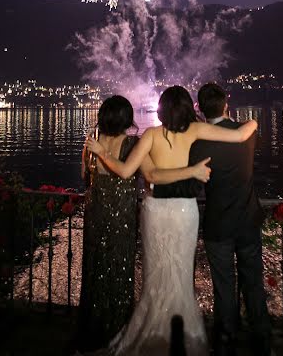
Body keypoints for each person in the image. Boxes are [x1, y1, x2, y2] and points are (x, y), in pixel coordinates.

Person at [86, 85, 258, 356]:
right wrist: (254, 121)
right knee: (181, 274)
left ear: (162, 109)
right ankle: (186, 333)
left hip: (155, 211)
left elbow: (130, 171)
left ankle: (154, 330)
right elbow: (239, 135)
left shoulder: (150, 135)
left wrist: (101, 152)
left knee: (156, 274)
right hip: (185, 212)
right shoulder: (196, 130)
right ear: (189, 108)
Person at [78, 95, 210, 352]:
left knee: (94, 270)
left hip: (95, 214)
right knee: (119, 271)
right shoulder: (132, 143)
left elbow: (85, 175)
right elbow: (148, 176)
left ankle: (91, 330)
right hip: (122, 217)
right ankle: (117, 327)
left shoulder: (90, 144)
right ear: (127, 119)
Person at [190, 83, 271, 356]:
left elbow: (194, 184)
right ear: (226, 104)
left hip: (218, 224)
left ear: (199, 109)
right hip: (248, 220)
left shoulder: (199, 143)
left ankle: (226, 341)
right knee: (254, 282)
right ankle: (261, 339)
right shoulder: (245, 133)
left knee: (224, 287)